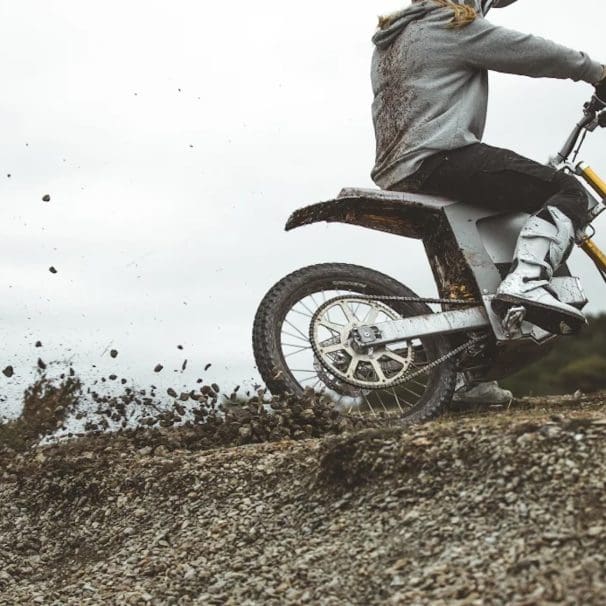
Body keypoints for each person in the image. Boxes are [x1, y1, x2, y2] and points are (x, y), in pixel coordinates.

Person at [371, 0, 606, 404]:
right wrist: (597, 73)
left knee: (469, 271)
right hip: (439, 157)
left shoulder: (393, 39)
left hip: (402, 170)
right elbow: (529, 52)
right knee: (568, 193)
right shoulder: (448, 24)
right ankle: (528, 281)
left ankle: (472, 379)